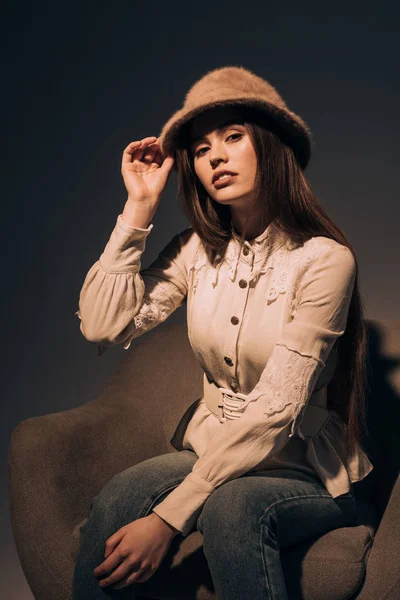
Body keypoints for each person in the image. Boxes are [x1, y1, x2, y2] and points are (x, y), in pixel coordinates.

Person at [72, 66, 374, 599]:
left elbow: (277, 407)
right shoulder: (196, 251)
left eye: (233, 137)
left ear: (270, 146)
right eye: (200, 147)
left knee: (232, 509)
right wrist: (139, 207)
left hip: (303, 469)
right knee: (119, 497)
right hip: (213, 450)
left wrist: (168, 520)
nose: (214, 156)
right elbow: (103, 325)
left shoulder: (326, 261)